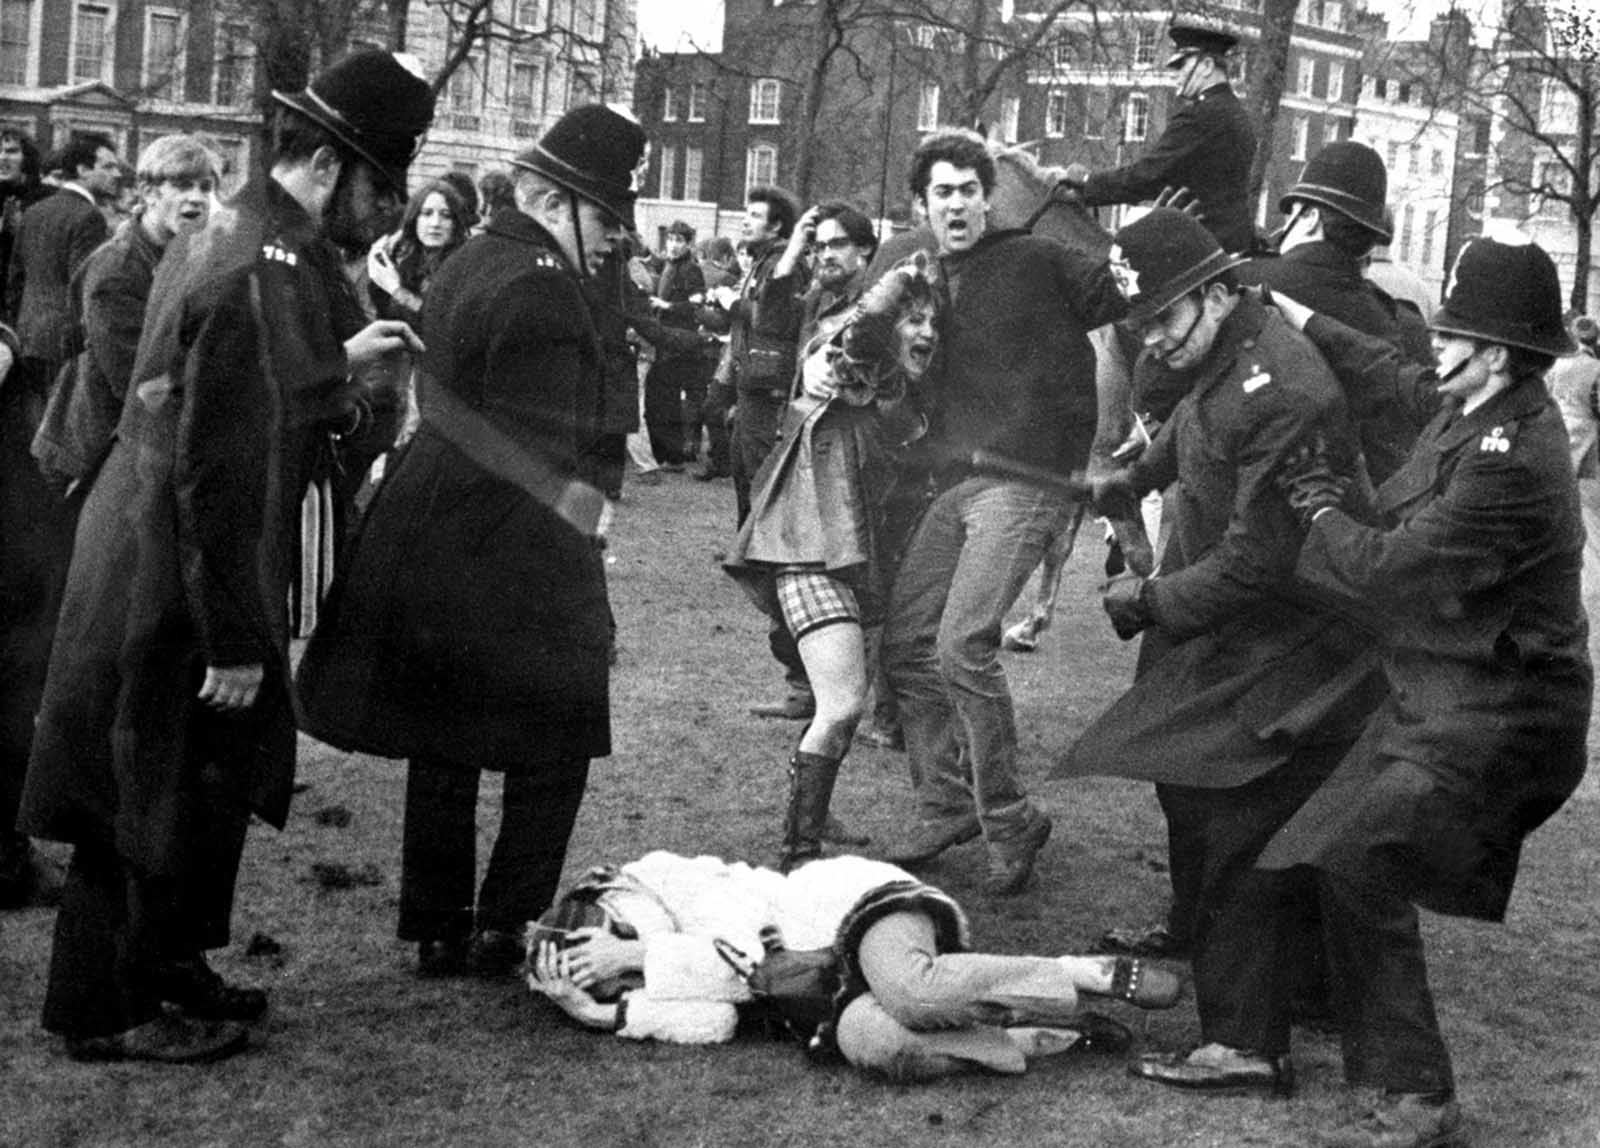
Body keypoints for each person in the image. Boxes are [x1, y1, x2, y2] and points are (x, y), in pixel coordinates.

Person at [17, 49, 433, 1063]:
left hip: (163, 537)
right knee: (139, 775)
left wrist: (345, 364)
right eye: (383, 187)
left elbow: (245, 402)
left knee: (192, 771)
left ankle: (169, 963)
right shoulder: (256, 263)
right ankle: (107, 1007)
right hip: (173, 553)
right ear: (332, 167)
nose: (390, 214)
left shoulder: (249, 239)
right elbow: (217, 464)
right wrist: (235, 636)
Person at [1142, 233, 1593, 1148]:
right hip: (1439, 690)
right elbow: (1391, 373)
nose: (1438, 351)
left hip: (1502, 713)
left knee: (1356, 857)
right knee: (1309, 839)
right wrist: (1295, 311)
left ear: (1495, 355)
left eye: (1454, 336)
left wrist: (1316, 508)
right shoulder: (1478, 402)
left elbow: (1389, 573)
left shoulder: (1509, 457)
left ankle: (1419, 1095)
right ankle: (1287, 1024)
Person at [295, 104, 643, 981]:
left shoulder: (467, 260)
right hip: (509, 531)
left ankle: (439, 926)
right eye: (604, 218)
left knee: (443, 731)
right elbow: (546, 447)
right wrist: (586, 529)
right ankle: (507, 921)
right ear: (554, 201)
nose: (611, 240)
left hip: (428, 522)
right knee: (564, 726)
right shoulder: (546, 288)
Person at [1056, 208, 1378, 1100]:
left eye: (1164, 319)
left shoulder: (1285, 386)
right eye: (1141, 325)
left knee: (1235, 816)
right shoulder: (1224, 350)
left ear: (1218, 292)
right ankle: (1284, 985)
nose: (1153, 342)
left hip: (1290, 637)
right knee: (1195, 796)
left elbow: (1257, 562)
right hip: (1232, 629)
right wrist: (1140, 475)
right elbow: (1199, 427)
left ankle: (1247, 1040)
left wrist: (1147, 601)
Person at [879, 130, 1128, 896]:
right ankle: (945, 804)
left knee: (962, 646)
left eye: (968, 189)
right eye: (941, 193)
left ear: (989, 197)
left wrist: (1108, 440)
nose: (956, 204)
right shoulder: (922, 280)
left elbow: (1126, 311)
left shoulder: (1038, 259)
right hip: (956, 483)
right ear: (922, 205)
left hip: (1028, 483)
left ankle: (1011, 816)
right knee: (907, 642)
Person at [527, 849, 1180, 1080]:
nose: (626, 960)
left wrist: (640, 953)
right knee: (882, 1043)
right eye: (617, 971)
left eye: (612, 937)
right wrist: (606, 1012)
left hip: (852, 914)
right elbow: (718, 1021)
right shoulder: (655, 960)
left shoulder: (670, 878)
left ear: (614, 898)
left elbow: (748, 962)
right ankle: (1036, 1036)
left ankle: (1075, 974)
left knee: (913, 992)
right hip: (826, 997)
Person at [724, 256, 938, 870]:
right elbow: (857, 331)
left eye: (933, 322)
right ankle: (797, 855)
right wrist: (904, 276)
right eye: (914, 320)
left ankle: (815, 813)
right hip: (806, 547)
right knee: (844, 703)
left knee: (836, 704)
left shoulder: (901, 388)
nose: (925, 331)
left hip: (858, 559)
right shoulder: (852, 365)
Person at [32, 134, 220, 493]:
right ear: (148, 193)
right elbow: (138, 382)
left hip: (144, 448)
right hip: (94, 459)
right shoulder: (117, 271)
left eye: (205, 186)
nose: (196, 197)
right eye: (181, 185)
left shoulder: (190, 258)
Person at [1241, 140, 1432, 482]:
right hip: (1361, 521)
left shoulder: (1242, 284)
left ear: (1310, 217)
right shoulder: (1406, 324)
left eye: (1291, 213)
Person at [1063, 17, 1256, 255]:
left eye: (1182, 66)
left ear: (1206, 66)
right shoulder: (1236, 112)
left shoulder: (1201, 116)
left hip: (1197, 245)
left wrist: (1086, 183)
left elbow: (1148, 176)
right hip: (1234, 241)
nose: (1176, 75)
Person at [642, 219, 707, 468]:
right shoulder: (668, 265)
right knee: (658, 398)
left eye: (679, 240)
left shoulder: (691, 269)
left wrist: (667, 306)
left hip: (679, 344)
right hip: (664, 341)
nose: (672, 245)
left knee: (667, 400)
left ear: (688, 243)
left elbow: (697, 304)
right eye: (670, 239)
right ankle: (665, 454)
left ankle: (673, 456)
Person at [366, 177, 470, 321]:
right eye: (427, 213)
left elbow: (440, 323)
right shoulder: (403, 254)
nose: (435, 223)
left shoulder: (463, 264)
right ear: (414, 218)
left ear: (455, 223)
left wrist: (396, 289)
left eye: (446, 216)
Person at [0, 127, 49, 325]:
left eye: (11, 151)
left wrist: (22, 231)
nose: (2, 158)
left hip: (26, 310)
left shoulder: (46, 198)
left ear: (27, 158)